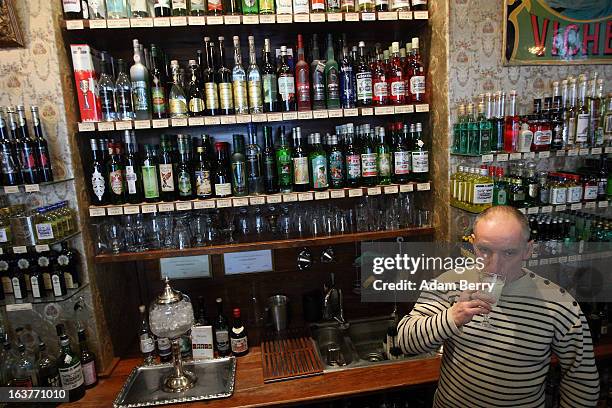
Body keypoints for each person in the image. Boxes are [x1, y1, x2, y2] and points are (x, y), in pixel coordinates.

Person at [397, 205, 600, 407]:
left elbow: (581, 380)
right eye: (484, 250)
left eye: (509, 253)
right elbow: (406, 342)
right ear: (473, 244)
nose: (494, 265)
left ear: (528, 250)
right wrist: (453, 316)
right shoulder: (449, 283)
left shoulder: (559, 304)